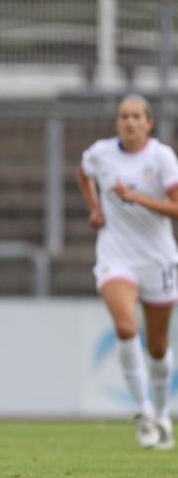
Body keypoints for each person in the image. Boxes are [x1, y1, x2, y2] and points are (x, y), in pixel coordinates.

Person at [77, 94, 178, 450]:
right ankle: (144, 412)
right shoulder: (101, 153)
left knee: (158, 346)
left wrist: (136, 198)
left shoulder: (161, 157)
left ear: (148, 123)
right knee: (124, 327)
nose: (129, 122)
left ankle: (162, 413)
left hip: (157, 259)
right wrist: (95, 208)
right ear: (117, 122)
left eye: (136, 116)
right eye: (124, 116)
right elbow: (83, 172)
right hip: (115, 255)